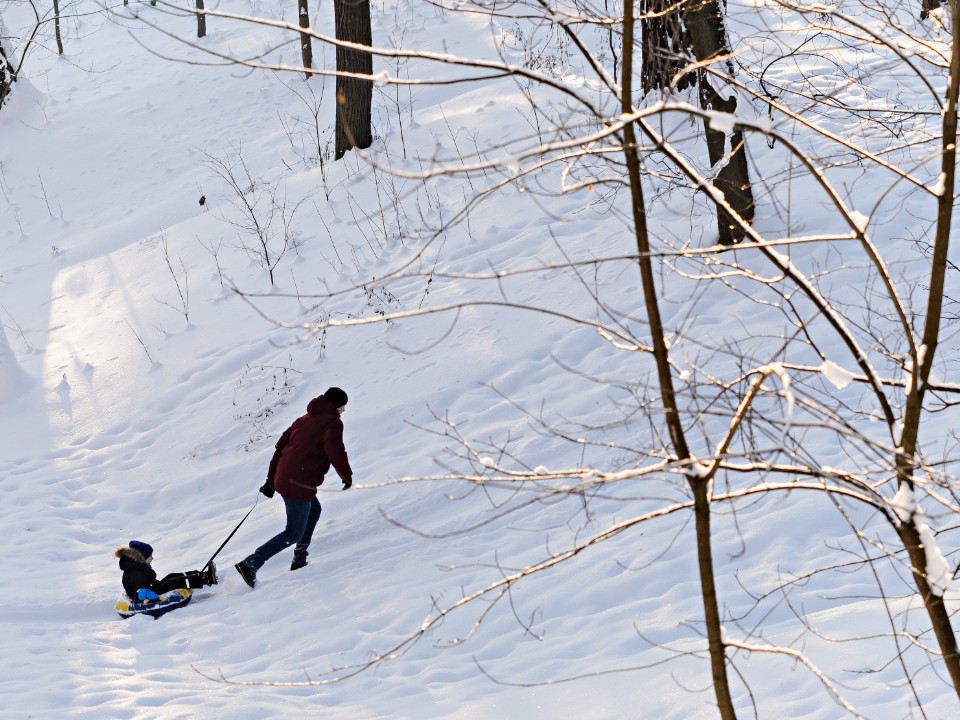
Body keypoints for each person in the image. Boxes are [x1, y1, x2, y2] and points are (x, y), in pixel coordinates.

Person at [235, 386, 354, 588]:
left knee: (314, 511)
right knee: (293, 532)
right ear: (336, 404)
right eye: (343, 406)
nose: (343, 411)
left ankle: (300, 559)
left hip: (285, 478)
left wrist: (271, 480)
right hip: (299, 484)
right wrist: (346, 475)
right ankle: (250, 564)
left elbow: (280, 448)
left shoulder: (304, 419)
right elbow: (335, 450)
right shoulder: (332, 423)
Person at [114, 540, 217, 602]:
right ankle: (205, 579)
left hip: (152, 589)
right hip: (149, 596)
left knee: (171, 576)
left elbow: (147, 580)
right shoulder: (133, 572)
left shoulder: (138, 567)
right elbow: (132, 589)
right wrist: (141, 594)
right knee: (171, 583)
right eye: (150, 556)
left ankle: (200, 574)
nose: (152, 559)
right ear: (141, 558)